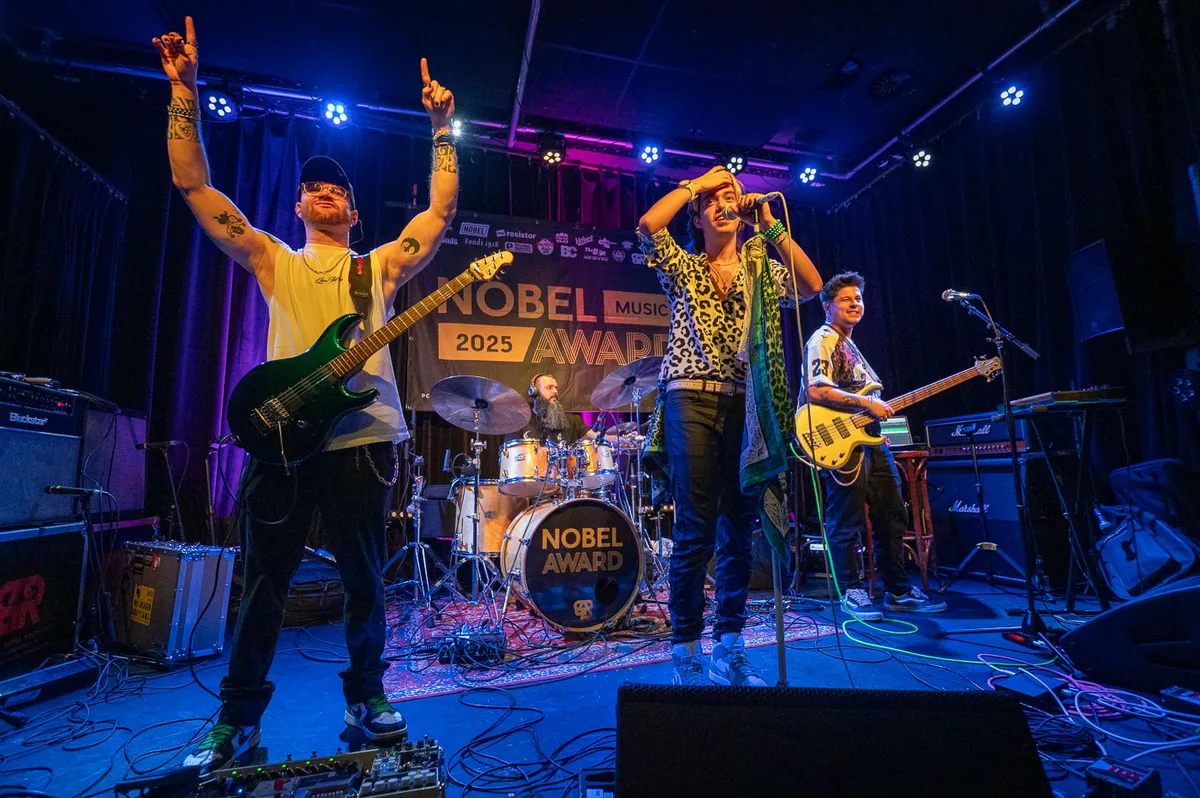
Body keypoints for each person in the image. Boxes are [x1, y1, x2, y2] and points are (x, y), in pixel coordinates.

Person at [153, 16, 458, 772]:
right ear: (297, 208)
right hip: (283, 438)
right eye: (312, 188)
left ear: (354, 212)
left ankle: (368, 697)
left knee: (364, 581)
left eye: (337, 190)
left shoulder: (378, 267)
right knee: (264, 584)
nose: (324, 193)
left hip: (363, 441)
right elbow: (194, 187)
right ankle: (235, 718)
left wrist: (441, 132)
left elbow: (440, 214)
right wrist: (184, 92)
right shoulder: (274, 259)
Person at [637, 166, 823, 686]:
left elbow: (811, 286)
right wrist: (696, 185)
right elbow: (648, 226)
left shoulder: (760, 268)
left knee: (739, 528)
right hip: (689, 397)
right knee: (695, 528)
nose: (725, 203)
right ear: (697, 217)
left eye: (732, 197)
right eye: (713, 201)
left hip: (747, 402)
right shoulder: (683, 266)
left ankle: (730, 645)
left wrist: (770, 225)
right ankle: (685, 650)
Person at [803, 272, 946, 620]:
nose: (855, 304)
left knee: (892, 512)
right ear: (827, 307)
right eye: (846, 299)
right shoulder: (823, 339)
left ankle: (896, 589)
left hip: (869, 439)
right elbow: (816, 389)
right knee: (846, 518)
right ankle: (850, 590)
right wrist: (868, 403)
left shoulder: (849, 345)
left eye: (858, 298)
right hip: (841, 441)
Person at [522, 372, 597, 445]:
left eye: (556, 388)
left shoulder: (573, 421)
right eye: (549, 387)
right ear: (534, 392)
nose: (555, 391)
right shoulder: (521, 422)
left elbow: (596, 437)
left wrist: (603, 435)